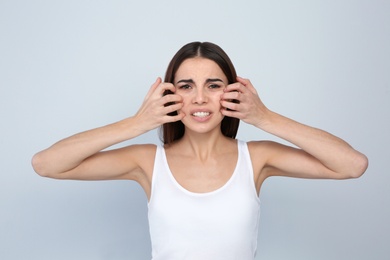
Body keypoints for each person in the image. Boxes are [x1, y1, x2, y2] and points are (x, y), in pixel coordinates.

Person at [32, 41, 368, 260]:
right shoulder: (148, 162)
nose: (200, 99)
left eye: (214, 85)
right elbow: (46, 164)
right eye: (186, 86)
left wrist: (264, 117)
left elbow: (352, 165)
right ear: (170, 94)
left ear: (232, 92)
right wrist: (137, 123)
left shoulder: (257, 159)